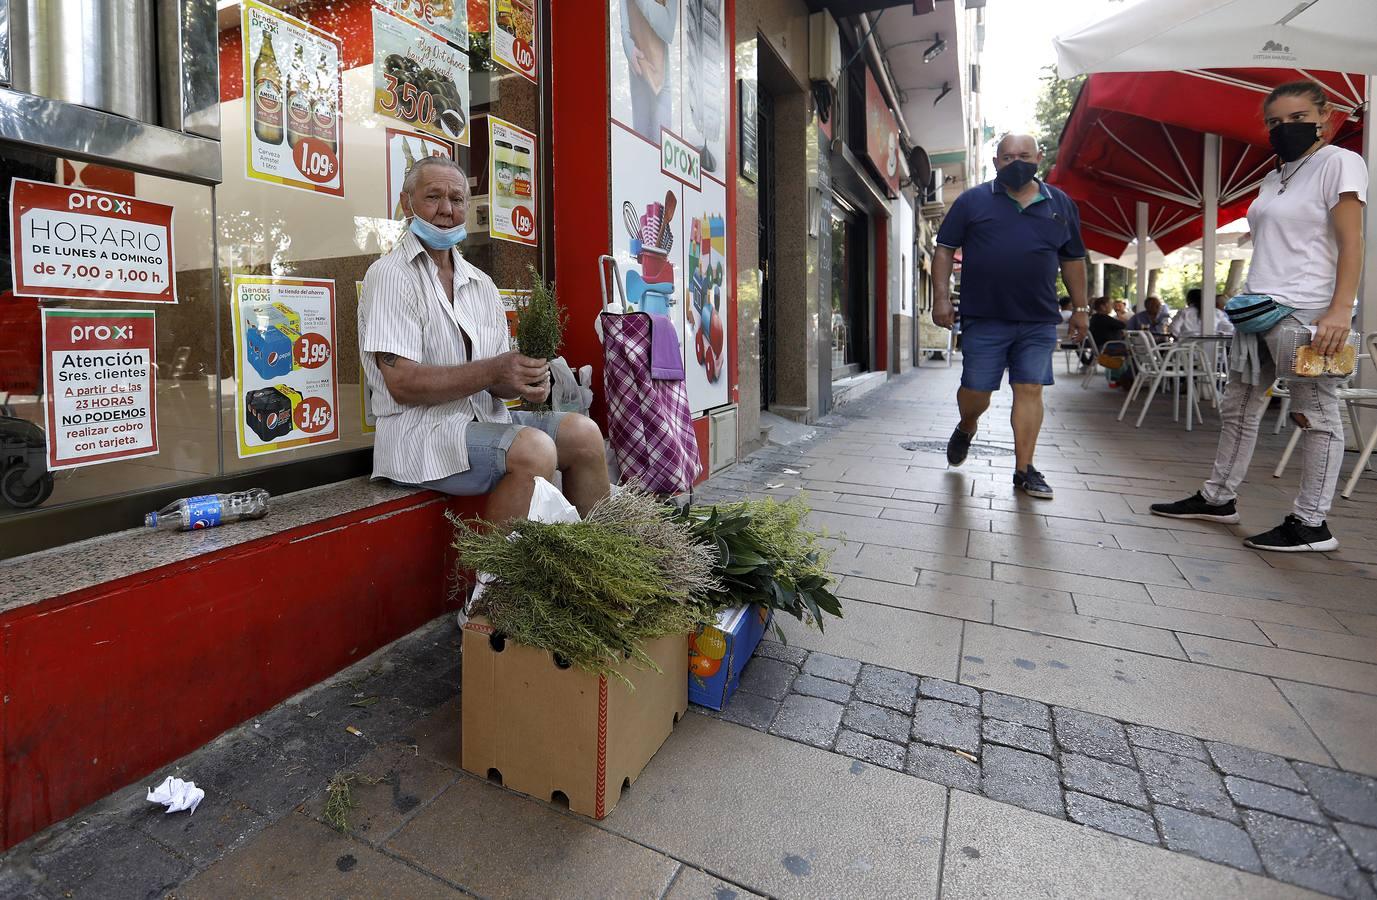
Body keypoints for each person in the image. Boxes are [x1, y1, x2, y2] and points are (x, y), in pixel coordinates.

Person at [1152, 80, 1366, 551]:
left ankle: (1312, 523)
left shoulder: (1339, 162)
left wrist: (1338, 310)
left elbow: (1352, 242)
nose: (1284, 128)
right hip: (1259, 309)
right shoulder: (1276, 175)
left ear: (1324, 118)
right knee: (1239, 407)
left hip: (1306, 309)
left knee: (1315, 413)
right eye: (1274, 122)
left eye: (1296, 119)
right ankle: (1218, 498)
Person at [360, 157, 611, 526]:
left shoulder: (481, 284)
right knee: (534, 449)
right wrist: (495, 369)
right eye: (433, 197)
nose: (446, 209)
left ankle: (601, 565)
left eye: (457, 199)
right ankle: (497, 582)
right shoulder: (390, 276)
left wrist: (524, 381)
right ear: (406, 203)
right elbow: (402, 383)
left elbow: (493, 381)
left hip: (482, 421)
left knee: (584, 433)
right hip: (417, 436)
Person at [933, 133, 1089, 499]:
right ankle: (967, 425)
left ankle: (1024, 470)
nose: (1015, 162)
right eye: (1006, 157)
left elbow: (1073, 259)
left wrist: (1081, 308)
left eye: (1023, 155)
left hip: (1038, 319)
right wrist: (941, 298)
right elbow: (944, 249)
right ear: (995, 162)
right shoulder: (973, 201)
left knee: (1031, 388)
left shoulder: (1061, 204)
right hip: (984, 315)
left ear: (1039, 157)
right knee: (977, 390)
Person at [620, 0, 677, 142]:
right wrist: (628, 46)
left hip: (661, 77)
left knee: (660, 147)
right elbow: (624, 18)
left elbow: (668, 30)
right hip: (638, 67)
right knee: (641, 144)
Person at [1171, 287, 1235, 339]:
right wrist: (1219, 334)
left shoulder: (1184, 312)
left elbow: (1173, 329)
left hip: (1187, 350)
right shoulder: (1216, 312)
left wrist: (1181, 339)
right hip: (1214, 350)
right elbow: (1230, 328)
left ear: (1189, 300)